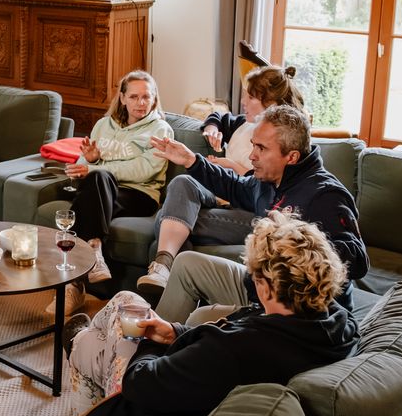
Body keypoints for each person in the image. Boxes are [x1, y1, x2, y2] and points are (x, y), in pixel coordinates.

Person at [67, 211, 360, 416]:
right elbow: (226, 341)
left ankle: (76, 413)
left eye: (254, 276)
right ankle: (83, 342)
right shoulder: (338, 325)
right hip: (202, 397)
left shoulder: (238, 349)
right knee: (119, 312)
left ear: (266, 286)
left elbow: (139, 383)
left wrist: (145, 343)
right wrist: (175, 333)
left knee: (105, 323)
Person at [140, 105, 368, 316]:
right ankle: (154, 337)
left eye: (261, 148)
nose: (252, 156)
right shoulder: (270, 180)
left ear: (292, 157)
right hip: (261, 290)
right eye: (253, 145)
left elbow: (358, 260)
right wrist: (192, 161)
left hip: (301, 308)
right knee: (186, 263)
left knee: (202, 318)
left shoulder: (325, 195)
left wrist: (294, 240)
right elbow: (234, 185)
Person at [136, 65, 304, 295]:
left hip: (250, 210)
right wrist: (212, 129)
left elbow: (264, 189)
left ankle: (163, 273)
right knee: (182, 183)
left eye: (251, 96)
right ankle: (167, 282)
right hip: (222, 193)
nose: (243, 101)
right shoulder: (244, 124)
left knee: (166, 225)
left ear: (272, 103)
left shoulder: (284, 140)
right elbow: (218, 117)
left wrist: (233, 166)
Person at [50, 70, 174, 314]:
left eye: (146, 97)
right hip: (101, 190)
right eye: (134, 97)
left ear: (154, 99)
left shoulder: (161, 130)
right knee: (96, 182)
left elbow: (145, 169)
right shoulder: (103, 125)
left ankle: (74, 284)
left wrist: (96, 168)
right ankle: (93, 251)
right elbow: (84, 162)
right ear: (123, 98)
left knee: (96, 181)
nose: (141, 103)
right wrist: (89, 160)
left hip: (139, 195)